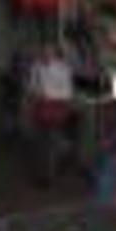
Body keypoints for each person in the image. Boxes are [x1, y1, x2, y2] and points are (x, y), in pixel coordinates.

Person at [27, 44, 76, 184]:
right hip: (40, 107)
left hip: (56, 108)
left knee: (53, 141)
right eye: (44, 52)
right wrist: (36, 96)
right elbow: (32, 86)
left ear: (54, 54)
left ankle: (49, 175)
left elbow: (68, 92)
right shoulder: (36, 67)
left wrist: (49, 94)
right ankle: (42, 172)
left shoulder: (62, 68)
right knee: (40, 142)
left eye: (49, 53)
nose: (46, 55)